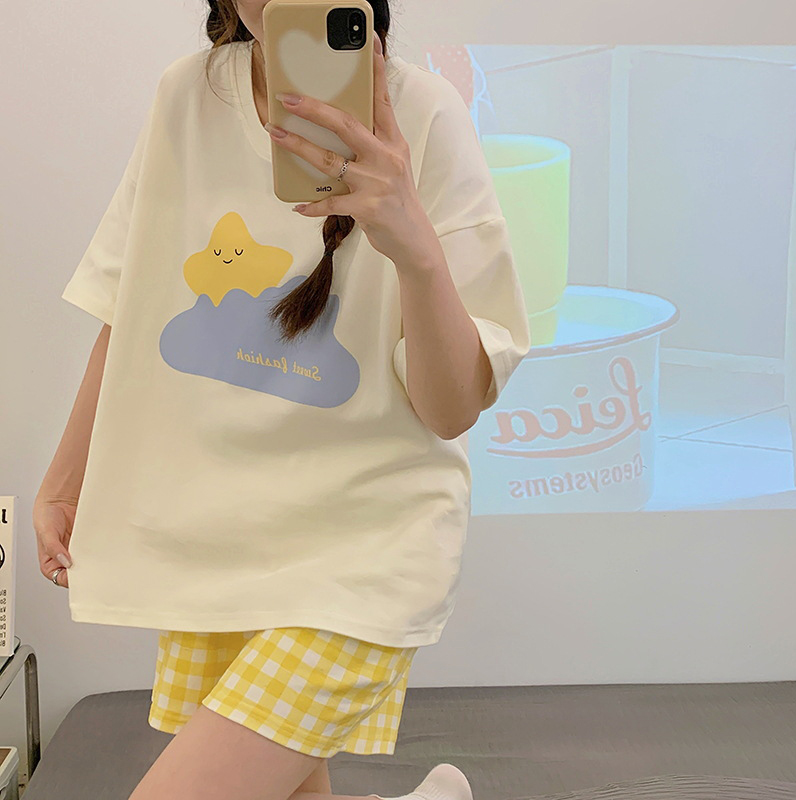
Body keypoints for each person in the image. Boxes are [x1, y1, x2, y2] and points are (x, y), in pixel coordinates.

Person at [33, 1, 531, 798]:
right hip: (214, 532)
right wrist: (65, 482)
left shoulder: (427, 115)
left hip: (366, 545)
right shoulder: (187, 96)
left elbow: (451, 411)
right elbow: (132, 305)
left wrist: (415, 248)